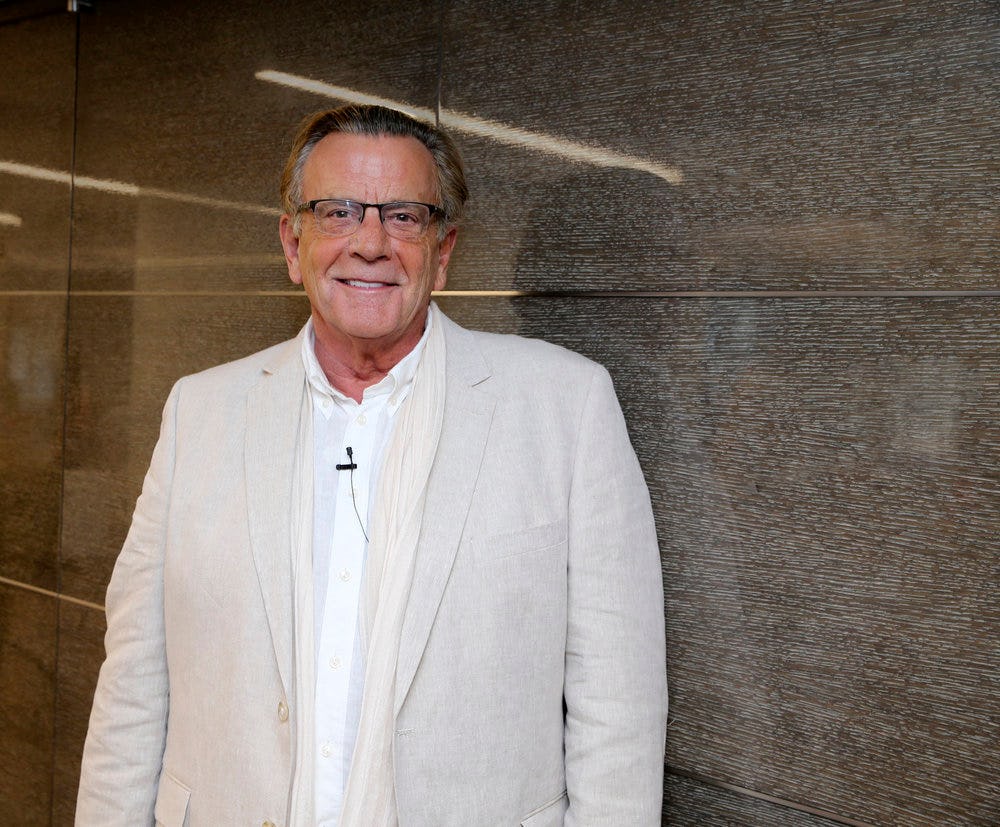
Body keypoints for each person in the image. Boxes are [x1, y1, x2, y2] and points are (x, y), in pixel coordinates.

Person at [76, 105, 666, 827]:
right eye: (338, 212)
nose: (370, 244)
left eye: (405, 217)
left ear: (442, 251)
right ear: (292, 242)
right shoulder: (198, 413)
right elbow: (134, 685)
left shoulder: (566, 407)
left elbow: (619, 704)